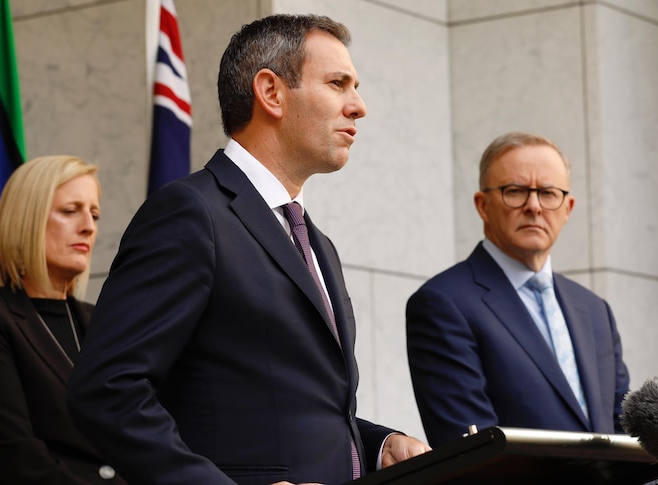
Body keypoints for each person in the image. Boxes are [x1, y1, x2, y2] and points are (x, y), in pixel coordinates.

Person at [67, 13, 430, 485]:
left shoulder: (317, 243)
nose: (358, 106)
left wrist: (377, 445)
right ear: (271, 92)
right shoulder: (190, 213)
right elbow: (107, 391)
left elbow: (290, 413)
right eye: (338, 83)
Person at [406, 131, 630, 447]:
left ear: (568, 208)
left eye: (549, 193)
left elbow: (624, 429)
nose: (534, 206)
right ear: (483, 205)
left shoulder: (595, 311)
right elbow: (473, 452)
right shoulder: (443, 304)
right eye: (515, 191)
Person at [0, 156, 126, 484]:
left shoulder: (102, 322)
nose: (89, 226)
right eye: (70, 211)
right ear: (26, 219)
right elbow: (14, 458)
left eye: (95, 214)